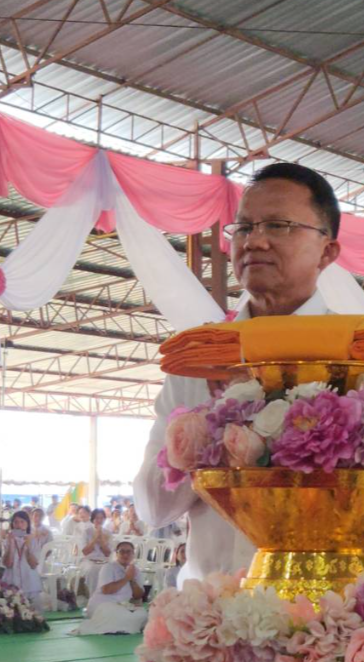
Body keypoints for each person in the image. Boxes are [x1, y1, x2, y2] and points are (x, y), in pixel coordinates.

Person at [135, 162, 344, 587]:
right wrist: (213, 421)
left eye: (279, 225)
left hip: (320, 617)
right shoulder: (198, 359)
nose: (255, 240)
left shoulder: (360, 358)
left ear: (327, 251)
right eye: (244, 227)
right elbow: (153, 508)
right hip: (211, 622)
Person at [77, 541, 147, 635]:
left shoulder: (135, 571)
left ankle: (122, 624)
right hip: (102, 606)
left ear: (133, 554)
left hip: (121, 607)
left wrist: (132, 580)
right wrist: (126, 578)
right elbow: (106, 590)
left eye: (128, 552)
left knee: (143, 614)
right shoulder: (108, 567)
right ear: (116, 554)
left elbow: (138, 596)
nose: (125, 554)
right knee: (114, 612)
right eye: (122, 551)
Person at [1, 511, 43, 607]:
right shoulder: (8, 540)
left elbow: (33, 565)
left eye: (22, 522)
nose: (19, 525)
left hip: (29, 583)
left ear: (27, 524)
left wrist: (28, 548)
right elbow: (8, 564)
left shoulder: (34, 540)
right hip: (11, 582)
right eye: (16, 522)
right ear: (12, 524)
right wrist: (11, 545)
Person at [78, 509, 112, 600]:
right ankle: (92, 597)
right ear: (93, 519)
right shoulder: (86, 532)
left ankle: (105, 597)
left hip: (104, 560)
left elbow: (108, 553)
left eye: (101, 518)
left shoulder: (108, 533)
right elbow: (85, 552)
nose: (99, 520)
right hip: (88, 560)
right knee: (92, 569)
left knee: (109, 569)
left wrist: (101, 540)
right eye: (97, 518)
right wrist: (94, 538)